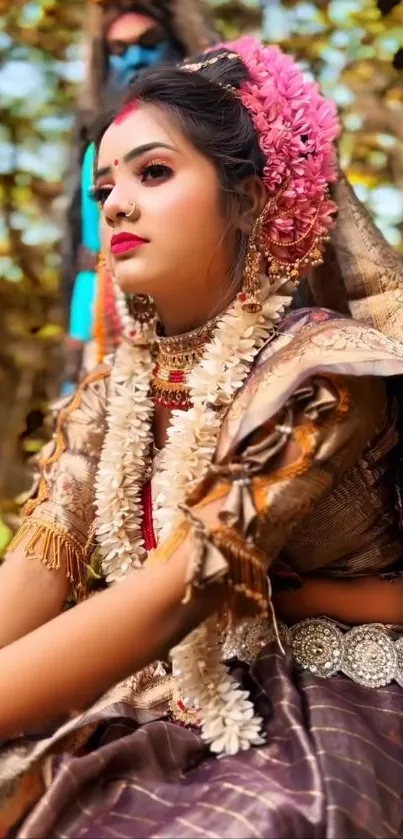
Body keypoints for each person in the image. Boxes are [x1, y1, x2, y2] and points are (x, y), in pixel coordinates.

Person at [1, 35, 403, 838]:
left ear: (253, 198)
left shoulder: (323, 370)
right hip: (169, 685)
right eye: (104, 184)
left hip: (327, 699)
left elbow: (175, 589)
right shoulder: (111, 396)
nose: (114, 203)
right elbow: (33, 577)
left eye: (153, 173)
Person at [62, 0, 215, 394]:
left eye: (149, 42)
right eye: (118, 50)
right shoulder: (94, 151)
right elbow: (89, 255)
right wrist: (80, 340)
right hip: (117, 329)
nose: (135, 59)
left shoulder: (223, 132)